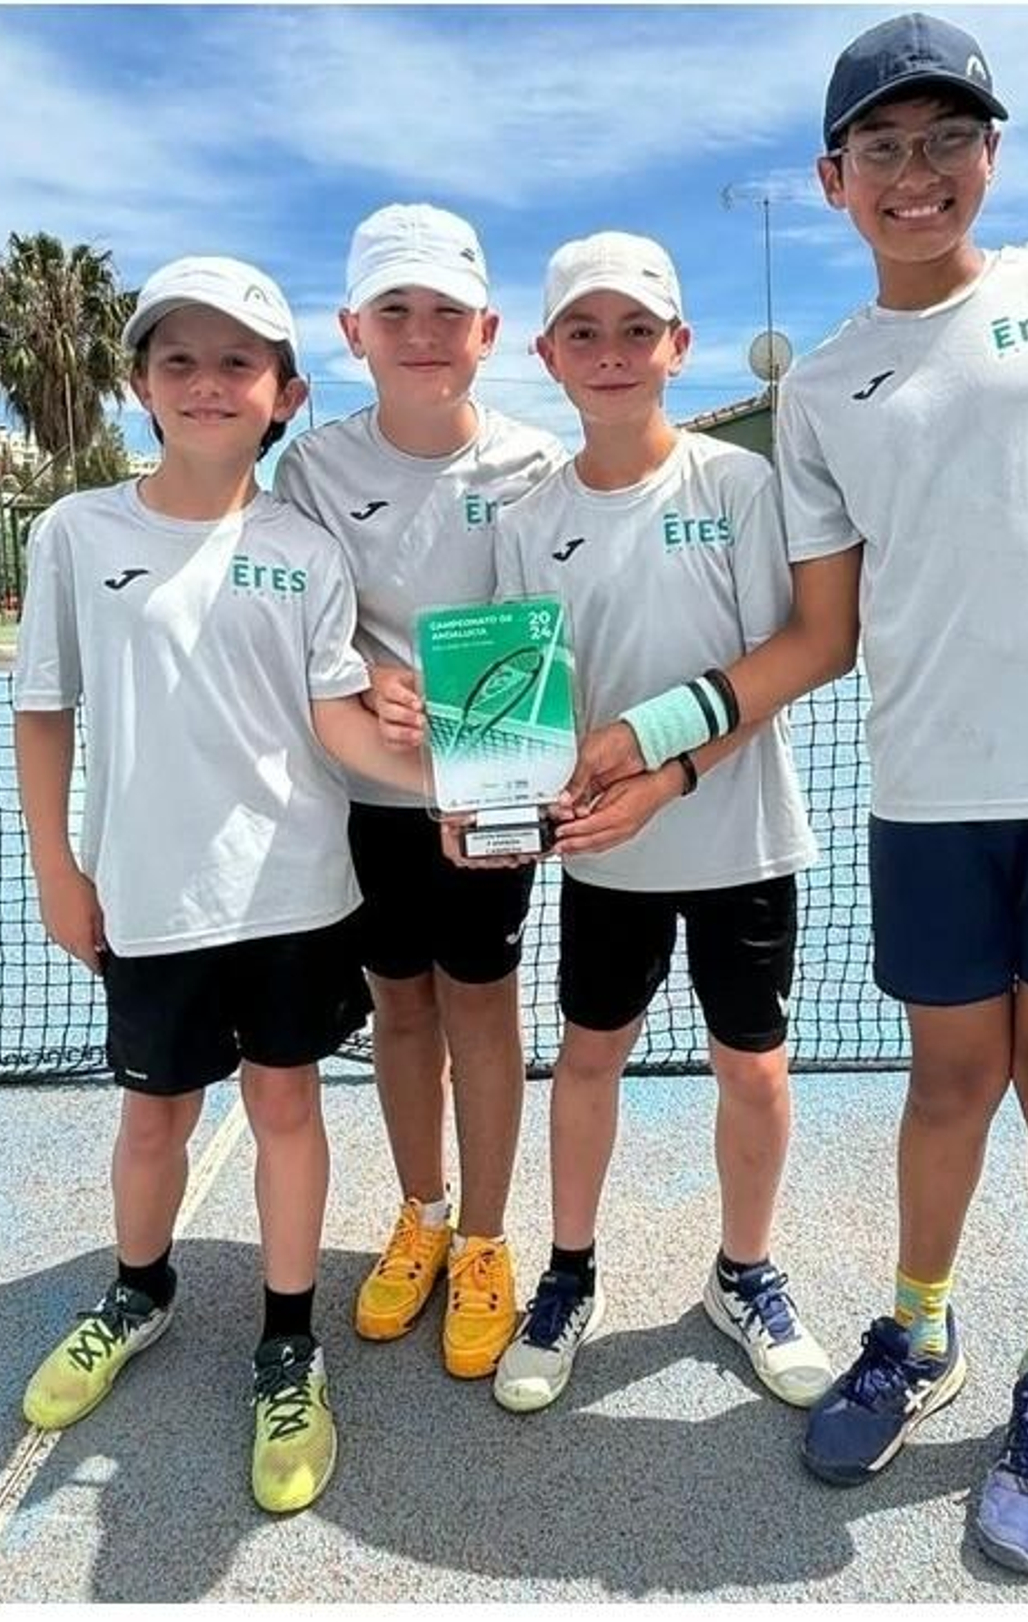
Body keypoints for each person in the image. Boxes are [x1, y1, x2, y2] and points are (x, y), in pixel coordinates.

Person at [560, 11, 1028, 1576]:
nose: (919, 173)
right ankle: (915, 1333)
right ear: (836, 180)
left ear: (992, 155)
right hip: (932, 805)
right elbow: (819, 638)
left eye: (948, 139)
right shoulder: (824, 390)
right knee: (948, 1086)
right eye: (884, 148)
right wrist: (664, 738)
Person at [13, 255, 429, 1514]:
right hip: (145, 897)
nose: (208, 382)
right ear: (140, 383)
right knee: (152, 1120)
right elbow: (46, 711)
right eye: (179, 360)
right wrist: (57, 869)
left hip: (297, 898)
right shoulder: (76, 532)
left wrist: (433, 759)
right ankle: (137, 1291)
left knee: (288, 1107)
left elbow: (337, 725)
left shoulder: (303, 552)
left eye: (236, 361)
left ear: (283, 394)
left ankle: (286, 1342)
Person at [482, 231, 834, 1416]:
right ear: (546, 354)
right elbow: (526, 707)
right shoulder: (527, 520)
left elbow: (777, 666)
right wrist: (497, 793)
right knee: (589, 1057)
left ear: (678, 346)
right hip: (607, 862)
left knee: (756, 1066)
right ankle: (568, 1275)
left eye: (637, 329)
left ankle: (744, 1273)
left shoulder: (738, 488)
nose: (612, 352)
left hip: (738, 842)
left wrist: (667, 774)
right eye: (583, 331)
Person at [272, 205, 564, 1381]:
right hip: (366, 801)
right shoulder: (313, 466)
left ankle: (487, 1238)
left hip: (492, 793)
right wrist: (373, 683)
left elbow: (549, 637)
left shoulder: (535, 463)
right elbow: (308, 628)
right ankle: (422, 1210)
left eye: (447, 312)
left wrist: (492, 743)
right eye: (396, 311)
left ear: (487, 331)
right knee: (400, 1011)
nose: (423, 332)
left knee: (481, 1010)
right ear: (354, 329)